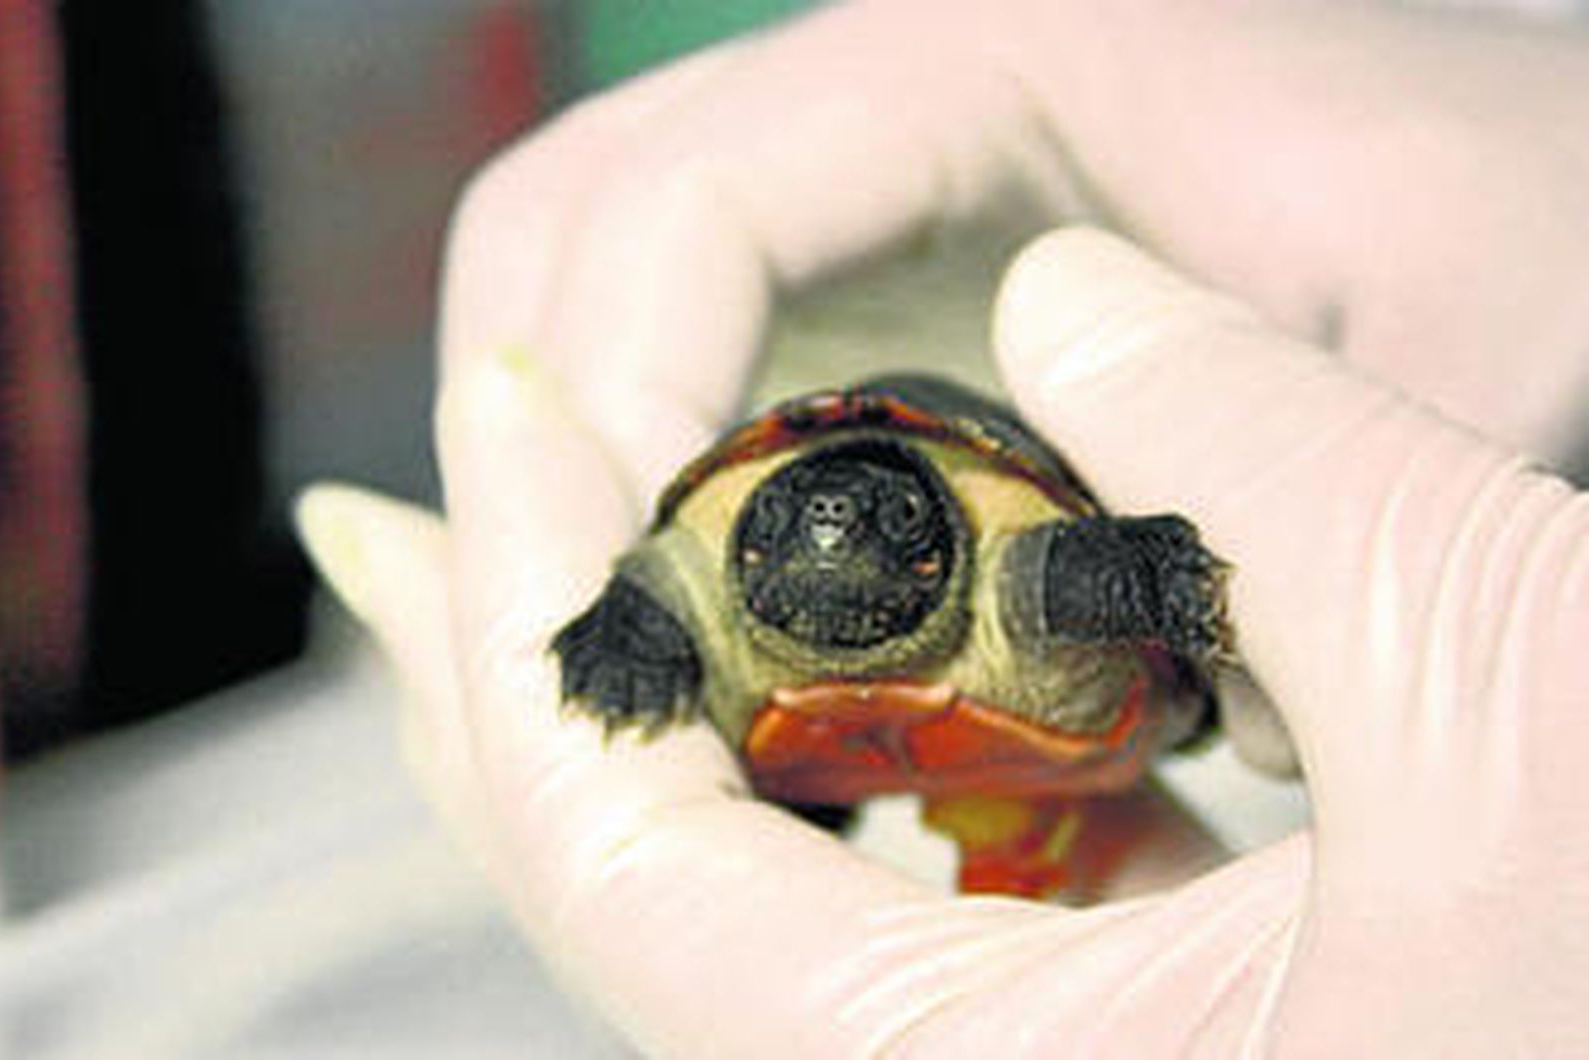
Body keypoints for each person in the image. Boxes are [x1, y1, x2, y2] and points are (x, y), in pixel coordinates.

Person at [298, 2, 1589, 1055]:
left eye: (870, 516)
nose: (824, 531)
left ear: (941, 537)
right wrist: (639, 623)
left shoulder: (1022, 574)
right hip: (845, 740)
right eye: (784, 523)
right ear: (736, 547)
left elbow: (1142, 578)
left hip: (1042, 699)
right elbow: (662, 580)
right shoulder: (706, 563)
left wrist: (1183, 594)